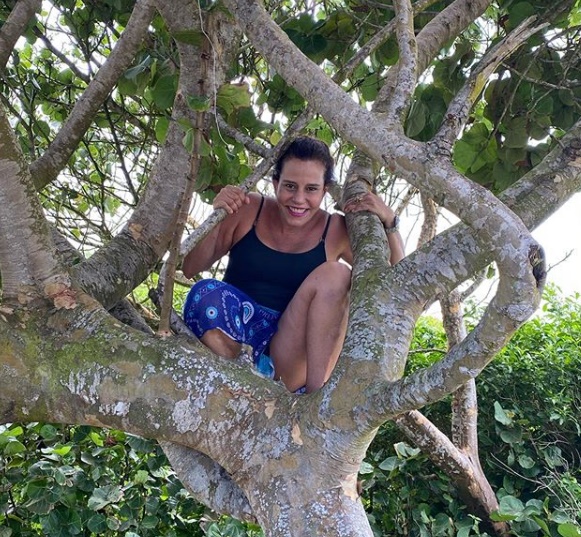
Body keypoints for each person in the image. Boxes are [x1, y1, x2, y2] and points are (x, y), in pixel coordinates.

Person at [182, 137, 404, 393]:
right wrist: (219, 212)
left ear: (324, 191)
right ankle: (245, 381)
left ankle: (315, 399)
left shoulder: (336, 230)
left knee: (337, 274)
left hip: (289, 358)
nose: (299, 199)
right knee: (204, 292)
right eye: (290, 186)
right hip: (233, 338)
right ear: (275, 183)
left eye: (311, 189)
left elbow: (394, 286)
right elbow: (190, 267)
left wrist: (390, 223)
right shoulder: (248, 208)